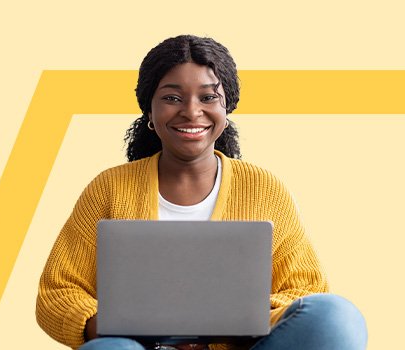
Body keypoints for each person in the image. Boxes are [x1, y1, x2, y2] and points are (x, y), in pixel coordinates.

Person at [36, 35, 367, 350]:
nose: (191, 112)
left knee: (337, 317)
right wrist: (122, 325)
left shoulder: (265, 189)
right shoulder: (109, 188)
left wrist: (237, 315)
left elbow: (306, 288)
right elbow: (59, 291)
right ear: (149, 110)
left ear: (226, 110)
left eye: (208, 97)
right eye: (172, 98)